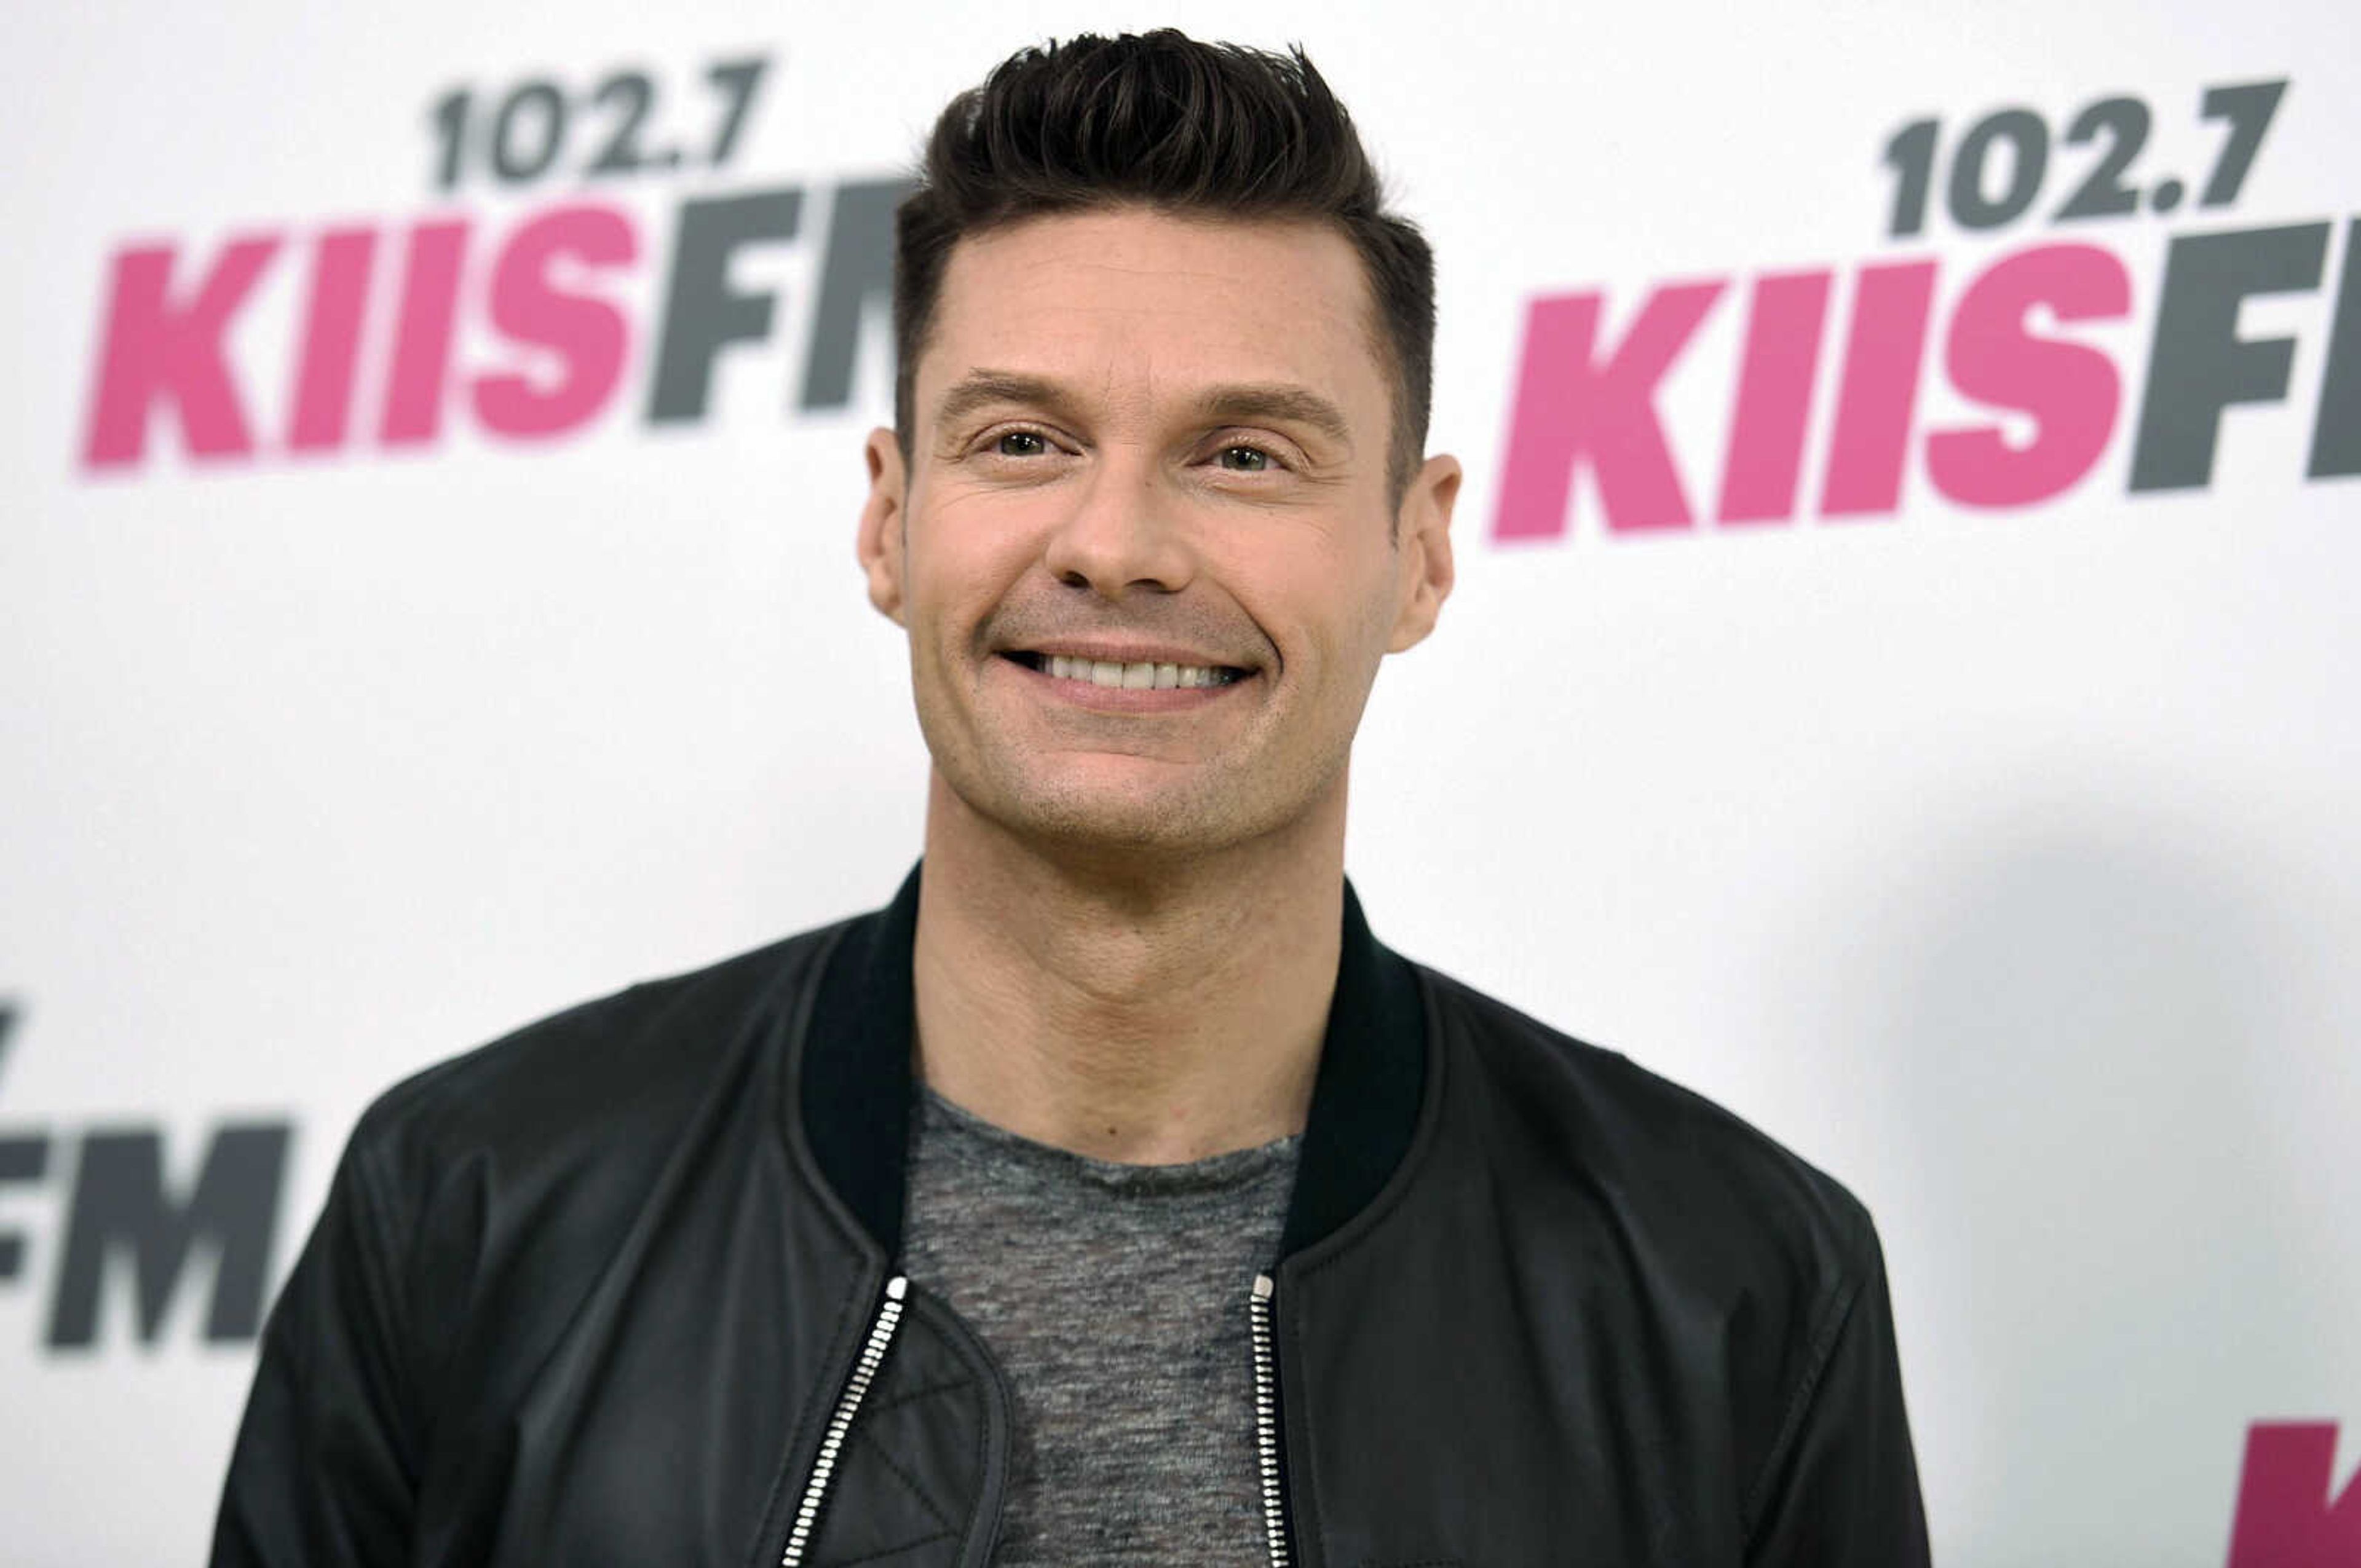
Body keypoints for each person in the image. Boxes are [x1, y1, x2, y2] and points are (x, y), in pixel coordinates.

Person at [210, 31, 1928, 1568]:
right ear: (890, 520)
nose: (1113, 546)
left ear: (1419, 552)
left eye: (1245, 453)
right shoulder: (474, 1201)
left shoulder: (1735, 1287)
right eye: (1022, 441)